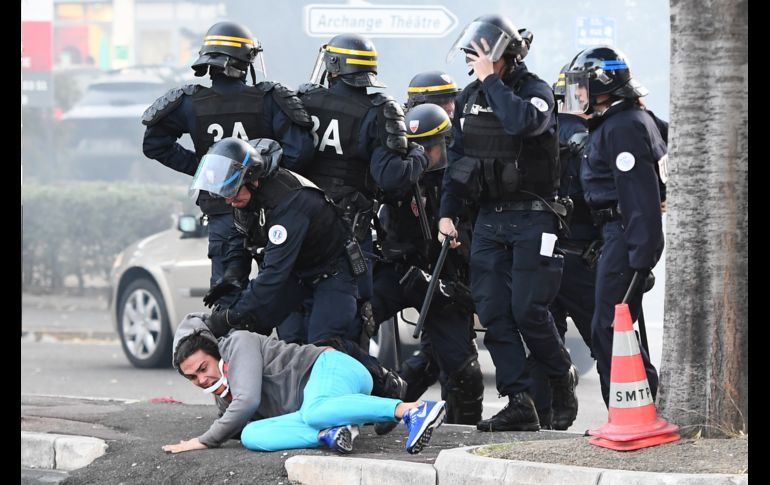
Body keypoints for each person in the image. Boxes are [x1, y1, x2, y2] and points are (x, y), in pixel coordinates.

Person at [438, 14, 578, 432]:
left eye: (479, 52)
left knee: (528, 311)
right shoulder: (468, 99)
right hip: (489, 220)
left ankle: (559, 374)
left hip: (534, 217)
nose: (471, 60)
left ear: (501, 54)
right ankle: (519, 400)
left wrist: (491, 82)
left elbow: (523, 123)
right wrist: (448, 212)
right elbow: (457, 162)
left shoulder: (535, 92)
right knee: (494, 312)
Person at [192, 136, 406, 401]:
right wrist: (233, 277)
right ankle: (260, 403)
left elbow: (272, 277)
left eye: (232, 191)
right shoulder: (243, 199)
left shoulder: (289, 204)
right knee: (262, 332)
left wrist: (231, 315)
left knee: (325, 344)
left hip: (334, 270)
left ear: (253, 180)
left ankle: (385, 382)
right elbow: (239, 241)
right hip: (299, 272)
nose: (227, 200)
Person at [141, 21, 315, 307]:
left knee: (226, 297)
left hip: (223, 211)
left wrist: (207, 169)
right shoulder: (270, 99)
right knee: (285, 296)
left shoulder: (189, 103)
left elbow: (154, 145)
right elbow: (300, 152)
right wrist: (262, 181)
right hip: (271, 211)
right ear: (245, 61)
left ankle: (230, 349)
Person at [293, 33, 430, 345]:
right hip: (348, 233)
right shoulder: (378, 109)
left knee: (299, 320)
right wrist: (419, 156)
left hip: (299, 228)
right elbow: (391, 178)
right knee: (350, 321)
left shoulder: (303, 100)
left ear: (334, 65)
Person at [162, 313, 447, 455]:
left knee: (313, 411)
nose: (202, 380)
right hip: (318, 402)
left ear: (215, 352)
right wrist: (226, 399)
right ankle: (329, 434)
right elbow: (236, 424)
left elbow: (247, 401)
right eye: (193, 377)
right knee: (250, 435)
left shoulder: (238, 343)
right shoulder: (223, 392)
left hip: (333, 369)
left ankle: (411, 410)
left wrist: (202, 441)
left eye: (203, 368)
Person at [371, 103, 483, 432]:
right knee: (349, 326)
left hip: (443, 278)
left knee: (463, 370)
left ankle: (463, 435)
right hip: (400, 270)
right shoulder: (399, 176)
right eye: (421, 148)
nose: (429, 155)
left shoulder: (462, 180)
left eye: (434, 147)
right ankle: (381, 403)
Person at [564, 46, 666, 407]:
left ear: (600, 86)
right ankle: (633, 410)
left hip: (624, 235)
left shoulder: (622, 127)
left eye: (581, 86)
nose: (575, 94)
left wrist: (641, 257)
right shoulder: (621, 121)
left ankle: (634, 411)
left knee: (609, 328)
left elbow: (639, 197)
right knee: (612, 328)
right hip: (618, 237)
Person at [527, 63, 595, 430]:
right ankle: (624, 417)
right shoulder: (592, 136)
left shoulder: (535, 133)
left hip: (540, 254)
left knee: (542, 339)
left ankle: (543, 419)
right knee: (605, 342)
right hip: (583, 256)